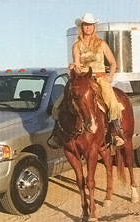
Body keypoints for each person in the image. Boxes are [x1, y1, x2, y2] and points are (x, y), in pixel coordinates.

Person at [48, 12, 125, 149]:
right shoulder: (76, 46)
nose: (88, 27)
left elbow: (113, 62)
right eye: (86, 25)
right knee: (58, 104)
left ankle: (115, 132)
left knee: (112, 102)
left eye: (91, 25)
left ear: (94, 27)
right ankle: (56, 134)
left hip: (100, 77)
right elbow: (77, 64)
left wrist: (110, 77)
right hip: (83, 78)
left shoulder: (101, 44)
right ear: (81, 27)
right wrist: (74, 67)